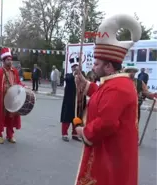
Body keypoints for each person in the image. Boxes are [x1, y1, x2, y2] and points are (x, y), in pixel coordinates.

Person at [73, 14, 141, 185]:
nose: (93, 66)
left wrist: (84, 132)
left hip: (111, 158)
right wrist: (86, 85)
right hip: (111, 153)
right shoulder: (116, 83)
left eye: (97, 64)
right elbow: (103, 97)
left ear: (109, 67)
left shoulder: (118, 87)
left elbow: (107, 122)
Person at [0, 47, 25, 144]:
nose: (10, 61)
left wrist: (23, 87)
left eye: (11, 59)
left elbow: (17, 82)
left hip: (12, 99)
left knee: (11, 117)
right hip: (1, 99)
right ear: (3, 60)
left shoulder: (15, 72)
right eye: (8, 60)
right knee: (0, 117)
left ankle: (10, 135)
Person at [60, 58, 85, 142]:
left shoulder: (82, 76)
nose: (75, 68)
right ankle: (64, 134)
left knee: (77, 118)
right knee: (66, 118)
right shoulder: (68, 75)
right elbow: (67, 79)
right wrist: (74, 73)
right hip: (69, 101)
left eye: (76, 67)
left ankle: (75, 134)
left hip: (78, 101)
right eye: (73, 67)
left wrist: (80, 74)